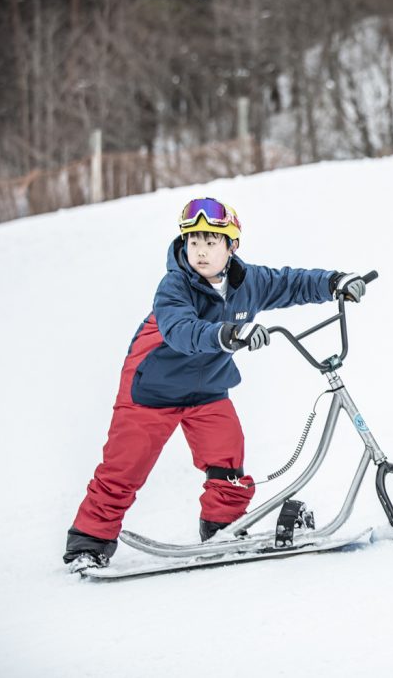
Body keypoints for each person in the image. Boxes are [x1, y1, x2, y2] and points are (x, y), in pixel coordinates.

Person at [63, 197, 368, 571]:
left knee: (228, 462)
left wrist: (335, 282)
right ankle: (89, 542)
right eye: (193, 242)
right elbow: (180, 330)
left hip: (206, 388)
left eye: (210, 242)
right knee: (124, 469)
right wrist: (229, 333)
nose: (201, 252)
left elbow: (292, 282)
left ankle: (222, 528)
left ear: (231, 246)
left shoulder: (249, 282)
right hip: (152, 388)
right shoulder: (174, 286)